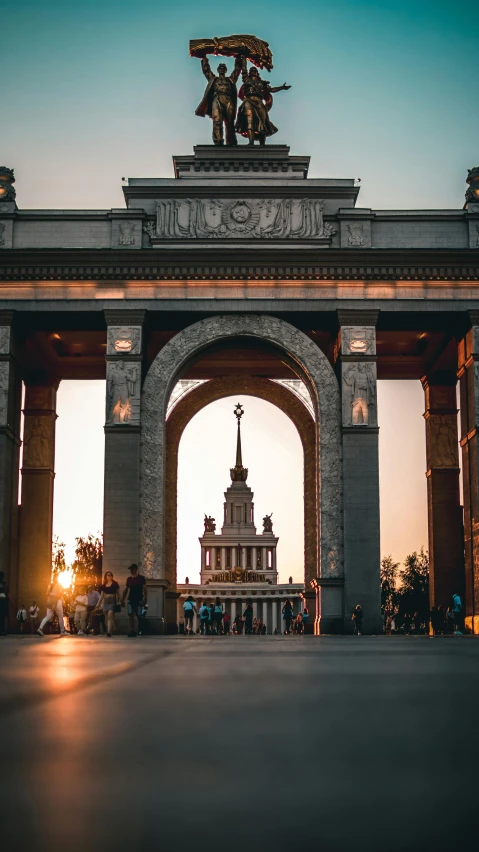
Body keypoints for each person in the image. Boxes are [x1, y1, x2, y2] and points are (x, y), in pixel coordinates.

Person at [236, 60, 291, 146]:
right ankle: (251, 142)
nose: (253, 72)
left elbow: (271, 90)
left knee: (263, 121)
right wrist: (243, 57)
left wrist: (282, 87)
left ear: (257, 73)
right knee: (249, 120)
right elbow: (244, 69)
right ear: (249, 73)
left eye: (255, 70)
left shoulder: (261, 83)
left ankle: (262, 144)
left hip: (259, 102)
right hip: (249, 100)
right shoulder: (246, 80)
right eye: (251, 70)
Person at [195, 55, 242, 146]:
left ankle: (231, 142)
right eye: (220, 68)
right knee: (217, 121)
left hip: (228, 100)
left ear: (225, 70)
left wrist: (238, 59)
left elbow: (237, 71)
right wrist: (203, 58)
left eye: (223, 68)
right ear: (218, 70)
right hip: (217, 99)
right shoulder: (214, 79)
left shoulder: (230, 79)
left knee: (230, 122)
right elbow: (206, 71)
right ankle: (218, 141)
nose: (222, 69)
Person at [122, 564, 147, 638]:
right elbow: (126, 589)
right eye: (130, 569)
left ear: (136, 569)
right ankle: (132, 630)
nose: (131, 571)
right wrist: (122, 599)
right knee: (131, 615)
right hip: (131, 599)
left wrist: (145, 598)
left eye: (132, 569)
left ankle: (141, 629)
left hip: (139, 599)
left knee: (139, 615)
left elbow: (145, 588)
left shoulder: (141, 578)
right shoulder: (129, 579)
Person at [97, 571, 121, 637]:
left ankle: (109, 632)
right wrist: (98, 603)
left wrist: (121, 600)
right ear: (105, 576)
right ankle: (110, 629)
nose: (109, 576)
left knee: (110, 615)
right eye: (108, 575)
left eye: (110, 575)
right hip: (105, 601)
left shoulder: (115, 584)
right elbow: (102, 595)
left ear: (112, 576)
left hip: (112, 600)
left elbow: (118, 593)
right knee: (106, 617)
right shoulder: (104, 585)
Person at [0, 571, 8, 635]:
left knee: (2, 616)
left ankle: (2, 629)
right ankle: (2, 630)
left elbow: (6, 593)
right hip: (2, 601)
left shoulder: (4, 584)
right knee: (2, 616)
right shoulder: (4, 583)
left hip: (3, 601)